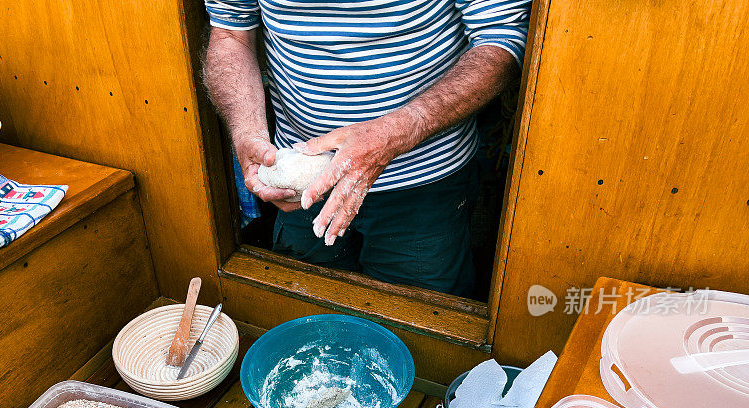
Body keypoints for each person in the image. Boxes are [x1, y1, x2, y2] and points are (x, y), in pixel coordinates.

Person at [204, 0, 530, 296]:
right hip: (303, 183)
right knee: (313, 321)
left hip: (423, 182)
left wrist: (400, 129)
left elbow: (502, 39)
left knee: (419, 332)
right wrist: (248, 133)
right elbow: (230, 34)